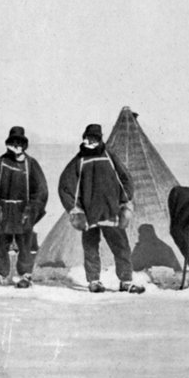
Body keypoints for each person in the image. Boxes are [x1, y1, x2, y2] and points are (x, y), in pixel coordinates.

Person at [58, 124, 144, 294]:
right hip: (89, 215)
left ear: (100, 139)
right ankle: (94, 281)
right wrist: (75, 210)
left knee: (121, 247)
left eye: (94, 138)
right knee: (90, 248)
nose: (91, 141)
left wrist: (124, 201)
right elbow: (65, 187)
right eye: (88, 138)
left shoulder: (109, 157)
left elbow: (125, 179)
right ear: (84, 138)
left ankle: (126, 281)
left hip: (111, 212)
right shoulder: (79, 161)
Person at [0, 126, 49, 288]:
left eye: (20, 142)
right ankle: (0, 274)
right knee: (0, 243)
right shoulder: (0, 163)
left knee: (25, 244)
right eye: (14, 142)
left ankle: (25, 275)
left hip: (23, 211)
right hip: (3, 210)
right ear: (8, 144)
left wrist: (32, 210)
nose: (17, 145)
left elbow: (41, 190)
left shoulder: (31, 164)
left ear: (24, 145)